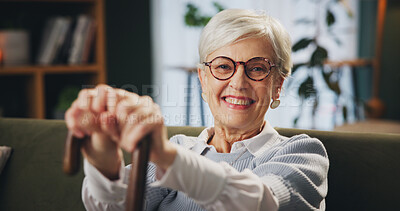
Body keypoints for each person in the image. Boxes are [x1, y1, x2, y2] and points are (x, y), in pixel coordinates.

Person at [66, 9, 329, 211]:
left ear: (278, 86)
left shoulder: (303, 153)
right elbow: (114, 206)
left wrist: (167, 157)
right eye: (223, 67)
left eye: (257, 68)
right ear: (203, 80)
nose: (238, 83)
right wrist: (104, 157)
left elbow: (257, 202)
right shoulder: (181, 148)